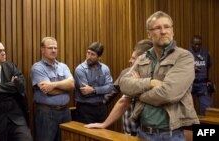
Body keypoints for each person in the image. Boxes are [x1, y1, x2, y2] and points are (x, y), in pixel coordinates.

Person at [118, 11, 199, 141]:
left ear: (172, 31)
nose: (163, 31)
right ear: (149, 34)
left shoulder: (184, 57)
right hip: (142, 132)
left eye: (167, 27)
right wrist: (150, 83)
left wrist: (138, 94)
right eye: (157, 28)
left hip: (171, 135)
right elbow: (124, 84)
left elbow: (169, 93)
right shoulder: (142, 58)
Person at [85, 39, 153, 136]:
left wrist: (139, 85)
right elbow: (114, 90)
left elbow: (124, 101)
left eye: (133, 58)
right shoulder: (126, 73)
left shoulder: (156, 76)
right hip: (128, 128)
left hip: (147, 129)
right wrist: (99, 105)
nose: (130, 61)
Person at [31, 37, 74, 141]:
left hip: (65, 112)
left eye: (55, 48)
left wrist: (53, 85)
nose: (54, 50)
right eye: (50, 48)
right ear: (42, 49)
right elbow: (49, 91)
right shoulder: (37, 67)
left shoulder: (63, 66)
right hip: (47, 114)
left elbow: (72, 84)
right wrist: (65, 87)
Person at [74, 41, 113, 124]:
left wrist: (93, 89)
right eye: (88, 53)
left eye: (92, 54)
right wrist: (102, 90)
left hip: (101, 107)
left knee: (101, 134)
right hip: (85, 108)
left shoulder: (105, 68)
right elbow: (85, 92)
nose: (89, 56)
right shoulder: (80, 69)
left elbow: (110, 87)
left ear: (99, 57)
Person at [188, 35, 212, 115]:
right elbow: (181, 69)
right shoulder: (186, 54)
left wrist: (209, 80)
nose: (197, 46)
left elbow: (209, 66)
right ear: (191, 44)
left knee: (206, 108)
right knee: (187, 109)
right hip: (190, 83)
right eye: (195, 44)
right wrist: (192, 70)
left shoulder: (205, 53)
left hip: (202, 84)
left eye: (199, 44)